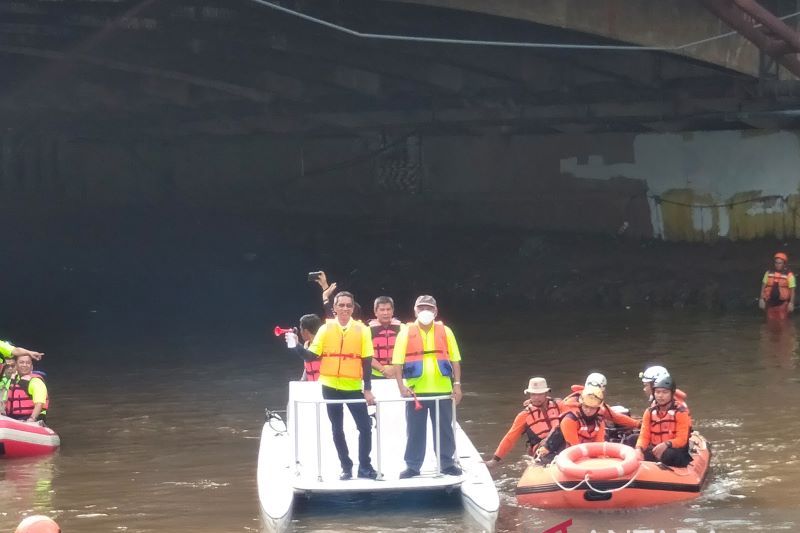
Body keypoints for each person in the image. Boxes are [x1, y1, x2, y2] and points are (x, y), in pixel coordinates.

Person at [285, 291, 377, 480]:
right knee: (337, 429)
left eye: (348, 305)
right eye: (341, 305)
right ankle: (346, 466)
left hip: (352, 386)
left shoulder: (362, 330)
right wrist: (296, 346)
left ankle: (365, 466)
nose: (344, 309)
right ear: (334, 308)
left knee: (365, 427)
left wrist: (367, 389)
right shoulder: (325, 329)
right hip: (330, 386)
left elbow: (367, 361)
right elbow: (312, 356)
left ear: (353, 308)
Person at [392, 295, 463, 478]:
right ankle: (413, 466)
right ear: (415, 310)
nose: (425, 311)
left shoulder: (446, 331)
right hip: (416, 391)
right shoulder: (405, 332)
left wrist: (457, 385)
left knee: (445, 429)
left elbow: (455, 360)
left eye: (429, 308)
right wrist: (401, 387)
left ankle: (447, 463)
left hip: (442, 390)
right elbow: (398, 363)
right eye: (421, 307)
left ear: (435, 311)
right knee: (415, 430)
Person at [486, 377, 563, 468]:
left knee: (560, 432)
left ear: (546, 393)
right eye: (533, 394)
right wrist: (495, 459)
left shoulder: (559, 405)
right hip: (541, 449)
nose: (536, 397)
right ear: (529, 394)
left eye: (539, 394)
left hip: (562, 444)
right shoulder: (524, 416)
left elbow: (576, 413)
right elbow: (510, 438)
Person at [536, 385, 606, 464]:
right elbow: (574, 448)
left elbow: (599, 446)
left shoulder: (600, 422)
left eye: (592, 408)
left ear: (598, 408)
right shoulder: (570, 420)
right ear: (581, 404)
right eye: (586, 406)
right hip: (555, 454)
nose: (588, 410)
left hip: (581, 453)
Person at [635, 375, 692, 467]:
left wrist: (666, 444)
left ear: (672, 394)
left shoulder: (681, 412)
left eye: (665, 392)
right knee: (632, 440)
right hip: (656, 449)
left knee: (668, 453)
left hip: (675, 452)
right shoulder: (649, 412)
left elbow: (682, 440)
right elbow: (644, 436)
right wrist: (639, 449)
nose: (660, 396)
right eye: (657, 392)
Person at [562, 372, 639, 432]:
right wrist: (637, 424)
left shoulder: (571, 399)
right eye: (586, 406)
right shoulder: (571, 408)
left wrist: (637, 423)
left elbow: (614, 416)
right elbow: (614, 417)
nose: (589, 410)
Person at [5, 354, 49, 422]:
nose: (24, 365)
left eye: (28, 363)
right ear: (16, 365)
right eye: (21, 362)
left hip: (32, 419)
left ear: (31, 367)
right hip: (12, 419)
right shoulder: (12, 381)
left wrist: (32, 418)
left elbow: (39, 403)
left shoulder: (36, 382)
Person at [368, 296, 402, 379]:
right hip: (374, 375)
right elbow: (365, 354)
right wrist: (382, 369)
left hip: (398, 373)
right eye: (382, 310)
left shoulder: (402, 328)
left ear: (393, 311)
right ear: (375, 312)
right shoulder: (367, 330)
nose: (385, 313)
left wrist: (395, 368)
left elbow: (408, 352)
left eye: (388, 309)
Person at [759, 252, 796, 320]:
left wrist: (791, 303)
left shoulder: (789, 275)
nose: (777, 265)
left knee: (782, 321)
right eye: (776, 263)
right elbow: (763, 286)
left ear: (784, 264)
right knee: (770, 320)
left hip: (783, 303)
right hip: (770, 302)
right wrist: (761, 299)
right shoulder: (768, 272)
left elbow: (792, 291)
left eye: (780, 263)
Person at [295, 314, 323, 381]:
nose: (300, 332)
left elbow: (309, 357)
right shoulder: (306, 344)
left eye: (301, 329)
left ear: (306, 331)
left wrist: (296, 343)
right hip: (312, 385)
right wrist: (302, 381)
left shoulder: (323, 344)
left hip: (325, 386)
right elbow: (307, 367)